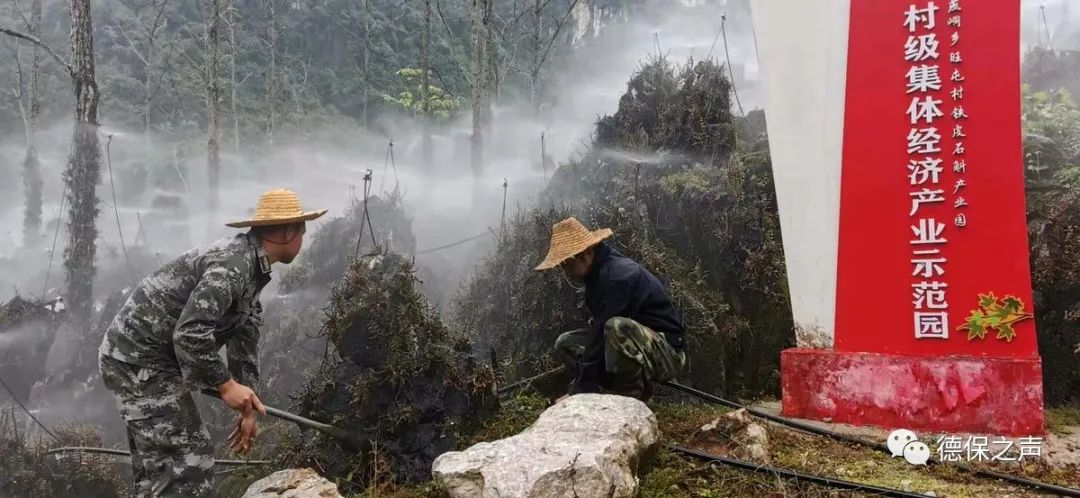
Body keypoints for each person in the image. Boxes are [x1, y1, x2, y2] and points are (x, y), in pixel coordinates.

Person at [98, 188, 326, 497]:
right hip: (137, 359)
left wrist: (247, 406)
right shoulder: (233, 266)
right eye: (302, 230)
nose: (303, 239)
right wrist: (226, 386)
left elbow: (245, 336)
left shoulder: (253, 266)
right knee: (189, 462)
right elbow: (190, 333)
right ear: (287, 232)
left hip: (150, 360)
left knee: (162, 470)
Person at [535, 217, 687, 401]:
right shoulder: (597, 276)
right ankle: (601, 392)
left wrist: (580, 388)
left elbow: (602, 332)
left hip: (668, 353)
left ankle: (629, 399)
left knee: (616, 327)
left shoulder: (618, 277)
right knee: (565, 343)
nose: (565, 271)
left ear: (584, 254)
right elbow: (596, 335)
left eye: (566, 264)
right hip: (635, 345)